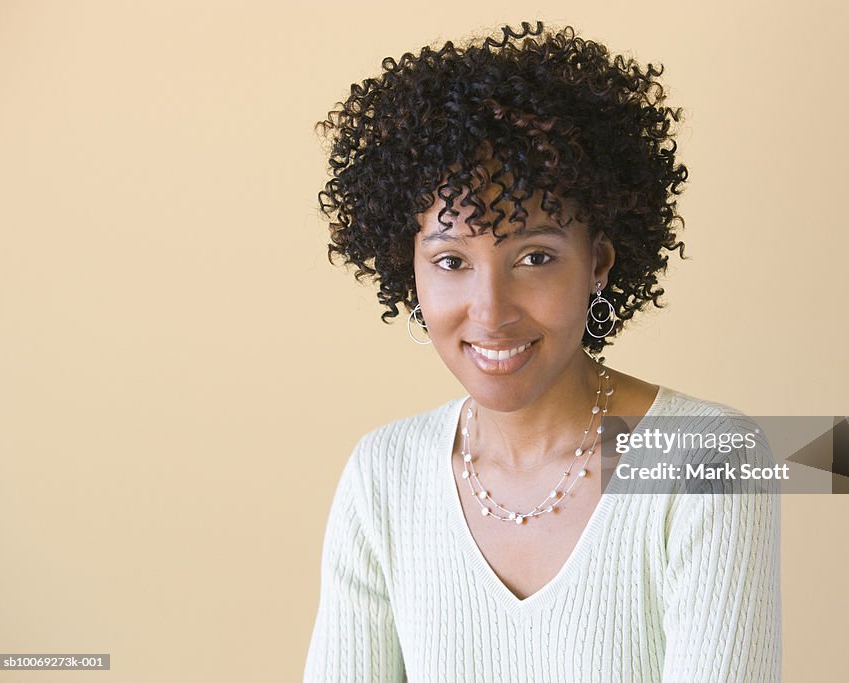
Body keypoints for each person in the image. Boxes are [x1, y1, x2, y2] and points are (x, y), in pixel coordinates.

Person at [303, 21, 781, 682]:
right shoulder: (382, 477)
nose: (491, 311)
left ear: (599, 263)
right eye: (450, 260)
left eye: (534, 256)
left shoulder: (707, 462)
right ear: (406, 268)